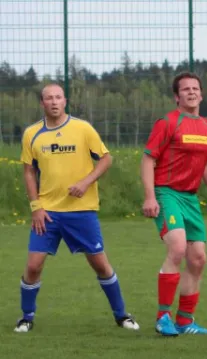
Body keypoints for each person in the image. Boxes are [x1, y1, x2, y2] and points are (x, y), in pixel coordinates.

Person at [15, 83, 139, 333]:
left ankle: (122, 315)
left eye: (58, 97)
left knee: (101, 265)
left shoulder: (82, 129)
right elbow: (28, 171)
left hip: (81, 211)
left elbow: (106, 159)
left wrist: (86, 182)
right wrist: (36, 206)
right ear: (42, 103)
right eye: (48, 98)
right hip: (47, 212)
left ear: (65, 101)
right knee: (33, 266)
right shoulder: (32, 134)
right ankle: (26, 317)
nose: (53, 102)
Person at [141, 71, 207, 337]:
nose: (191, 92)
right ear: (177, 96)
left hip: (190, 198)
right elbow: (147, 160)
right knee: (177, 247)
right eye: (186, 89)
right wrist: (150, 196)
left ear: (201, 94)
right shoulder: (167, 123)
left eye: (195, 88)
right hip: (167, 193)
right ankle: (162, 316)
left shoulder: (205, 126)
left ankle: (185, 320)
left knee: (198, 258)